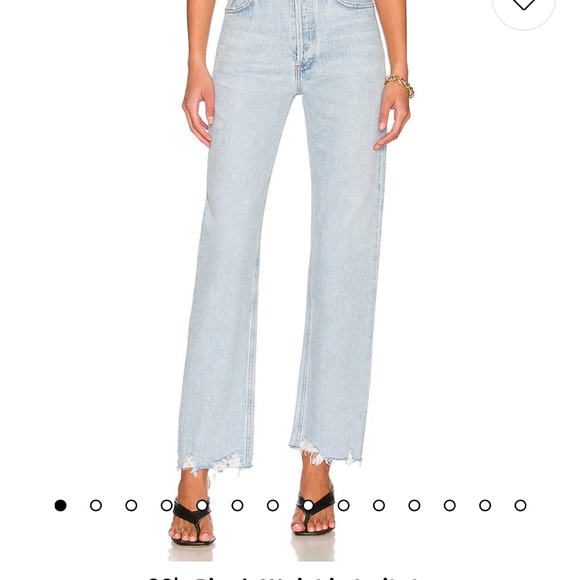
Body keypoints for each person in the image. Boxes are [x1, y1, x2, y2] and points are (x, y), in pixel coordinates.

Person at [169, 0, 413, 546]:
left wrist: (399, 69)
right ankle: (195, 463)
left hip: (350, 27)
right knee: (226, 241)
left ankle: (319, 454)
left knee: (345, 246)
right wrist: (195, 59)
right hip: (253, 26)